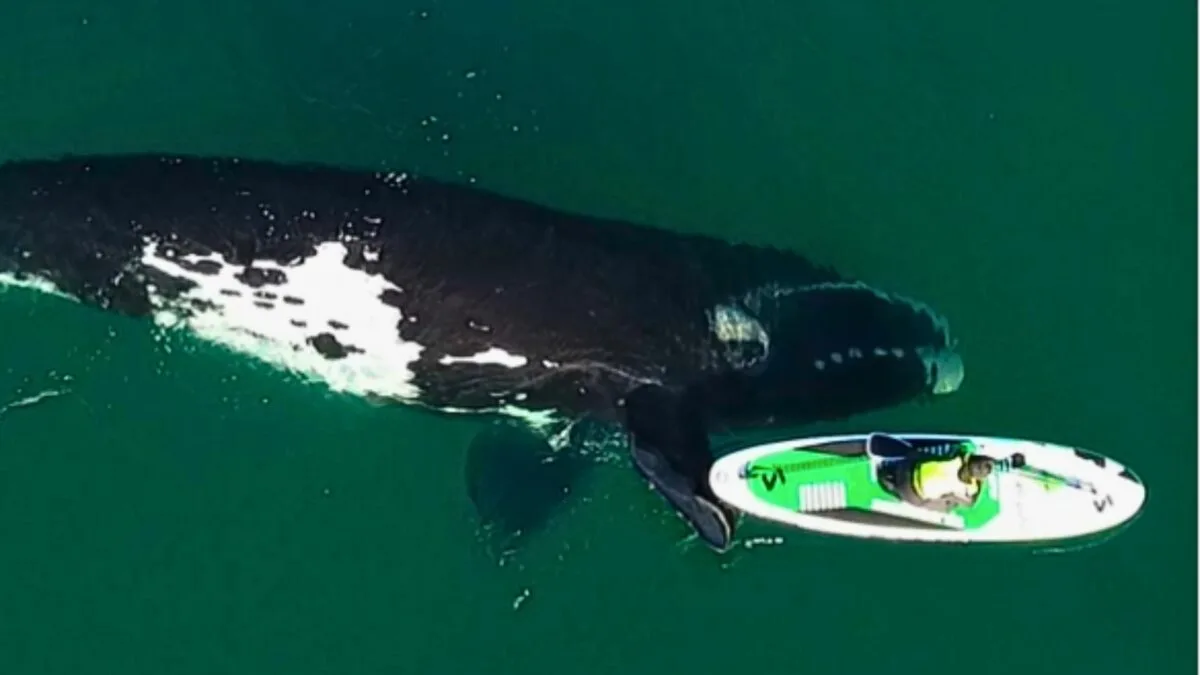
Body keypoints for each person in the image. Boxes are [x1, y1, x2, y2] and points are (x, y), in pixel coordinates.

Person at [872, 434, 1004, 511]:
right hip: (909, 480)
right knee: (947, 502)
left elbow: (968, 503)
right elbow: (970, 503)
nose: (982, 469)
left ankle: (889, 483)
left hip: (909, 484)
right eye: (982, 466)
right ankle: (889, 480)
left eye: (984, 470)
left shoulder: (968, 488)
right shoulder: (957, 456)